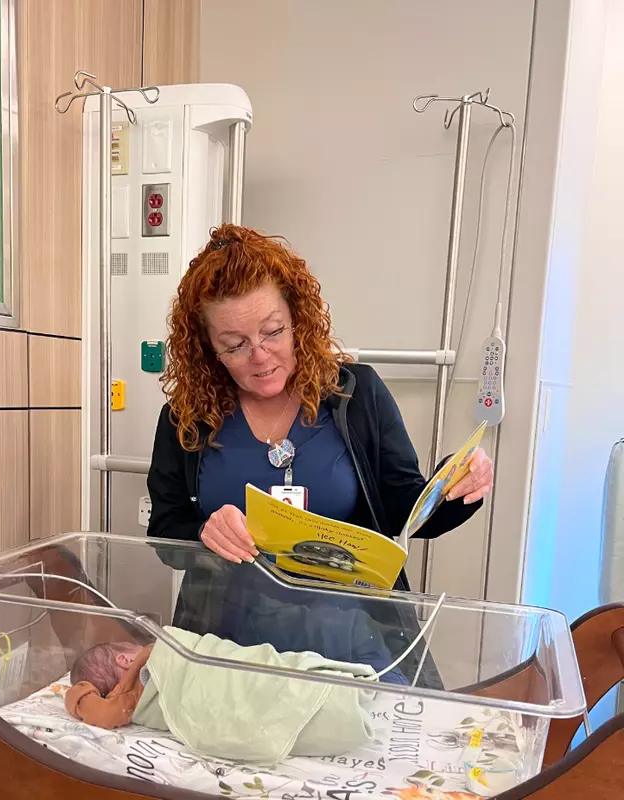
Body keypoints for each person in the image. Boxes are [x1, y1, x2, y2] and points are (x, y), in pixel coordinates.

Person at [145, 223, 494, 677]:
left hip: (351, 641)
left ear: (298, 320)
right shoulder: (185, 417)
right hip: (227, 645)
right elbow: (165, 531)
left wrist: (454, 485)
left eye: (272, 332)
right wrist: (203, 533)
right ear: (208, 349)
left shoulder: (356, 395)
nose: (260, 356)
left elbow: (404, 512)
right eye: (234, 345)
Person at [65, 628, 382, 764]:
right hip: (244, 681)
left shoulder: (161, 658)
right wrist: (78, 694)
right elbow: (102, 714)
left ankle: (336, 696)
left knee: (258, 672)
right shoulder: (140, 683)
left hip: (227, 669)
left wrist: (82, 696)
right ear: (124, 661)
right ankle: (339, 698)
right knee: (272, 684)